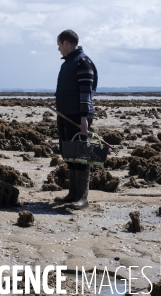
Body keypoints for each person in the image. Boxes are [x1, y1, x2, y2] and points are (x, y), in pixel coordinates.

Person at [54, 29, 98, 209]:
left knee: (81, 155)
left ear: (66, 43)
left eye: (59, 45)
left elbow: (86, 93)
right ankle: (73, 193)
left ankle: (83, 198)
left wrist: (83, 119)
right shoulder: (68, 62)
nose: (58, 50)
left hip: (78, 116)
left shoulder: (83, 62)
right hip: (64, 115)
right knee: (69, 154)